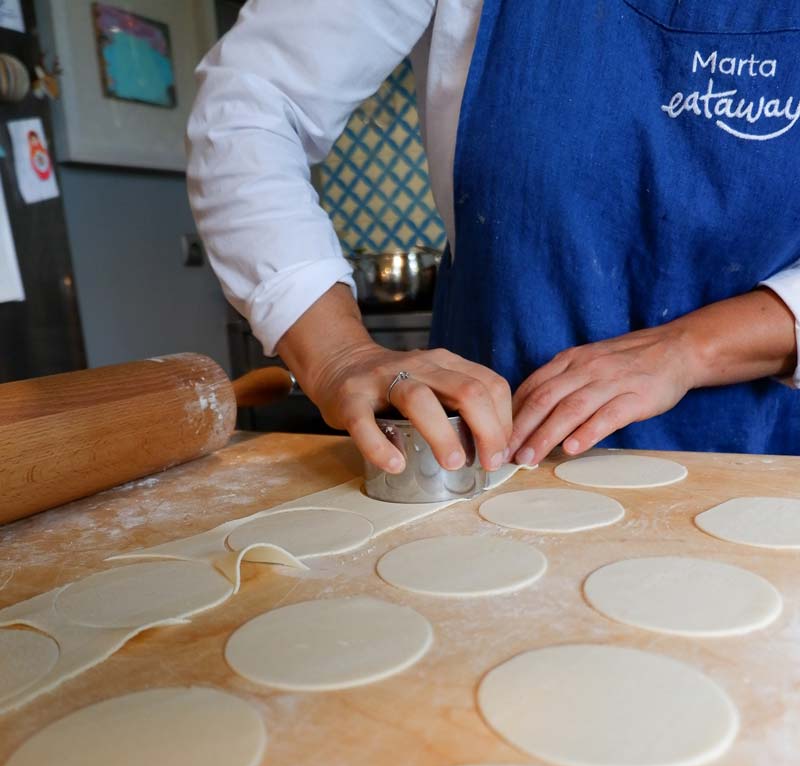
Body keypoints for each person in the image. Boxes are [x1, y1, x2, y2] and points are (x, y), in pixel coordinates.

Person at [187, 0, 800, 476]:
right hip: (485, 456)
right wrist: (338, 354)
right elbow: (253, 100)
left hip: (769, 454)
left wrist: (690, 349)